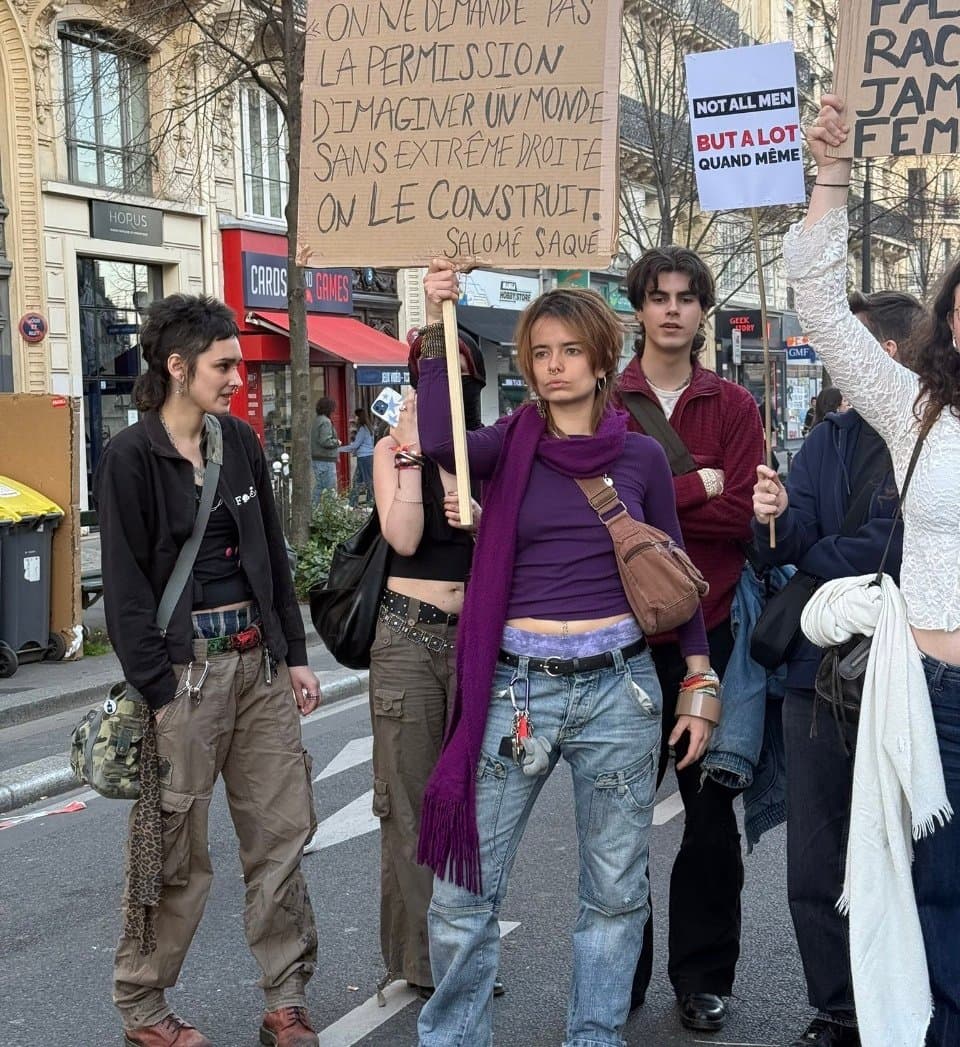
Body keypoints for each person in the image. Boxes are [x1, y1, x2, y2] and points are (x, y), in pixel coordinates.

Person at [414, 260, 717, 1047]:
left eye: (569, 350)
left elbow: (677, 578)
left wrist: (698, 678)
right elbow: (441, 438)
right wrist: (430, 321)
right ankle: (454, 1038)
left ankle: (594, 1036)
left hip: (619, 694)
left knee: (615, 893)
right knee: (461, 893)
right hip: (517, 690)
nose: (553, 366)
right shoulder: (511, 445)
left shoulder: (643, 457)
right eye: (540, 352)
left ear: (600, 356)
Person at [772, 93, 960, 1047]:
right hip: (930, 694)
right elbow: (819, 307)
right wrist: (834, 173)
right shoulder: (916, 411)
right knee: (931, 895)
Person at [94, 294, 322, 1047]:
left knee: (282, 835)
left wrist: (294, 655)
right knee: (174, 849)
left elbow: (273, 561)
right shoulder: (129, 455)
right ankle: (145, 1006)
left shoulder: (241, 442)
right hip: (183, 676)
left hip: (257, 667)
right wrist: (158, 690)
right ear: (178, 366)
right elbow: (126, 589)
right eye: (224, 365)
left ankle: (285, 1000)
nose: (236, 378)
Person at [752, 289, 921, 1047]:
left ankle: (912, 1007)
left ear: (884, 353)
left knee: (908, 853)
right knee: (814, 860)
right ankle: (837, 1010)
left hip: (906, 674)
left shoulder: (933, 438)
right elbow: (797, 538)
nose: (830, 354)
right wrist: (776, 517)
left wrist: (812, 550)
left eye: (844, 340)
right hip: (814, 677)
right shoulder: (827, 435)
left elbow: (900, 549)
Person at [614, 245, 764, 1032]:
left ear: (704, 311)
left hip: (713, 635)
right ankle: (619, 972)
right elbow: (594, 508)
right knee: (618, 817)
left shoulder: (734, 406)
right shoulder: (608, 400)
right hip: (625, 643)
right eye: (658, 295)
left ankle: (703, 976)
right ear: (638, 307)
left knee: (709, 822)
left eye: (686, 297)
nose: (672, 308)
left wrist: (653, 500)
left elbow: (740, 515)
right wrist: (692, 484)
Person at [366, 333, 505, 1000]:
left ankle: (466, 952)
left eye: (461, 374)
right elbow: (406, 537)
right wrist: (421, 454)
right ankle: (423, 962)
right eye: (434, 375)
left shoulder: (491, 452)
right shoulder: (393, 450)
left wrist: (474, 505)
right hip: (409, 638)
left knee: (477, 805)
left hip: (476, 637)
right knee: (412, 801)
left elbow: (507, 543)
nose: (448, 387)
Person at [339, 406, 375, 505]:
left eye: (355, 417)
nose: (353, 419)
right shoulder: (368, 428)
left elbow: (355, 445)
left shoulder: (363, 429)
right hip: (366, 457)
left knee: (368, 481)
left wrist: (339, 449)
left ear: (358, 417)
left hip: (364, 458)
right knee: (357, 481)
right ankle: (352, 503)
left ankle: (372, 503)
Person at [310, 397, 339, 505]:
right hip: (325, 459)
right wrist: (337, 442)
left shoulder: (317, 420)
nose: (334, 410)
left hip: (317, 458)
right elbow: (325, 441)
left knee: (320, 486)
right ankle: (331, 511)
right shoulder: (325, 421)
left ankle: (314, 509)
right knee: (330, 488)